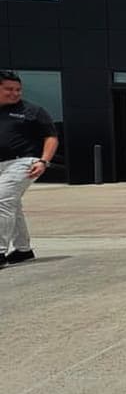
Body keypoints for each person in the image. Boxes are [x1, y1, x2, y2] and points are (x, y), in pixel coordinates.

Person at [0, 70, 58, 267]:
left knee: (2, 201)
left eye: (18, 89)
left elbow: (51, 137)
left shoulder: (32, 111)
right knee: (12, 205)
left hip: (24, 162)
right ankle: (23, 250)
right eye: (9, 89)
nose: (15, 93)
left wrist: (43, 161)